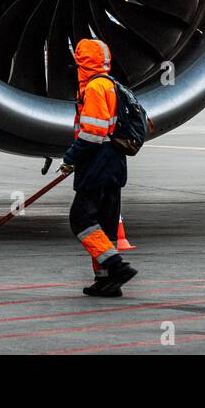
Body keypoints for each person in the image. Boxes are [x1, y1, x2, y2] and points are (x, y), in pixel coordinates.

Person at [60, 38, 137, 297]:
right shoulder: (113, 85)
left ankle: (116, 266)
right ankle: (105, 280)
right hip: (115, 164)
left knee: (81, 220)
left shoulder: (94, 88)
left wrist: (70, 158)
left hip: (97, 164)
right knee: (104, 224)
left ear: (82, 61)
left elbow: (93, 133)